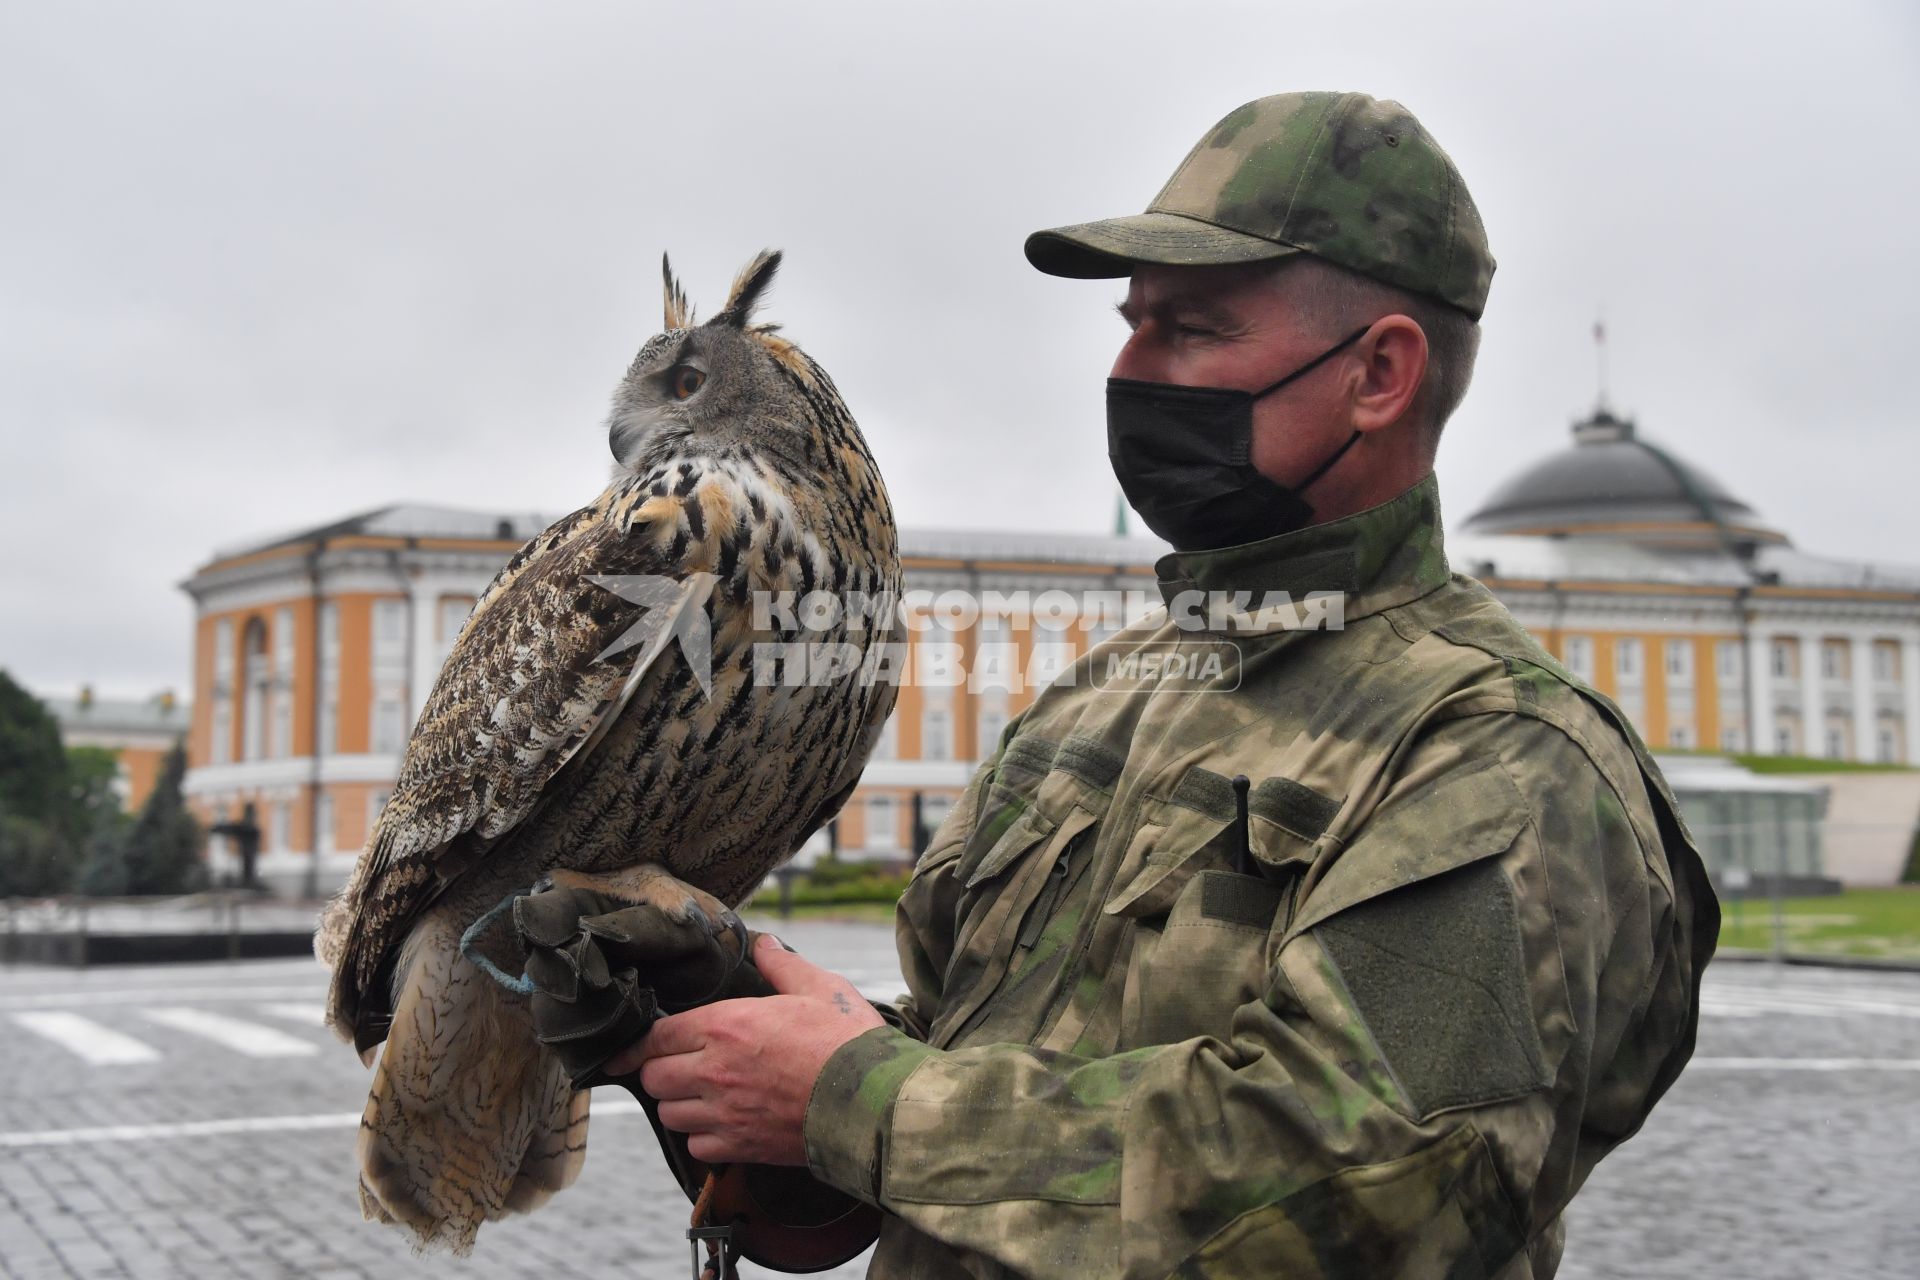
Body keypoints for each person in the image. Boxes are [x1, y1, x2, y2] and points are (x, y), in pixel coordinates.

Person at [611, 90, 1719, 1278]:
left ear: (1380, 374)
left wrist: (853, 1100)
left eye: (1190, 328)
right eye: (1133, 325)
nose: (1130, 369)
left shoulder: (1500, 754)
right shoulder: (1098, 702)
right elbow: (969, 1083)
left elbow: (1367, 1182)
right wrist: (717, 1022)